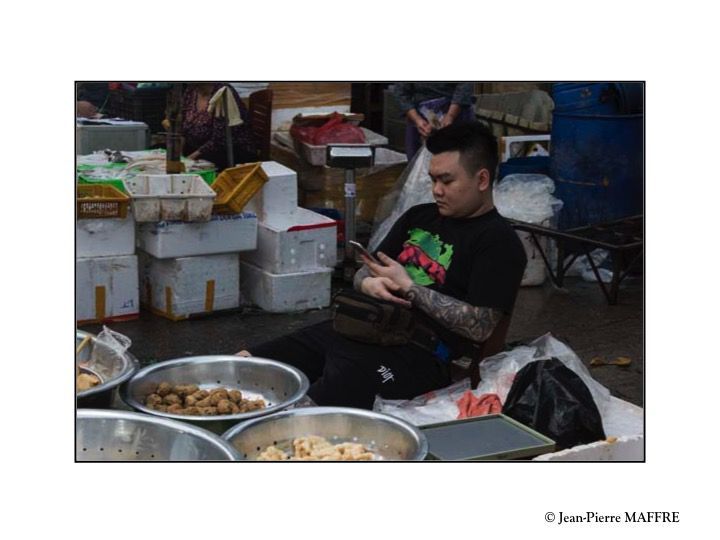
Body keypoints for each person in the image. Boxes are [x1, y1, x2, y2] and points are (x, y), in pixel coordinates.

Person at [236, 122, 527, 409]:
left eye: (447, 181)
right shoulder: (420, 216)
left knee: (308, 406)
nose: (436, 190)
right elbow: (367, 268)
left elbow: (480, 327)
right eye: (433, 180)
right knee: (247, 365)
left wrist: (410, 288)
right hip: (363, 327)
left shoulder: (498, 242)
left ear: (482, 180)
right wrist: (367, 282)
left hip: (418, 354)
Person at [179, 83, 256, 170]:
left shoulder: (223, 92)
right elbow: (182, 126)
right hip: (197, 146)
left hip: (227, 149)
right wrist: (180, 154)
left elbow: (220, 139)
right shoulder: (191, 90)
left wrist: (189, 159)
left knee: (196, 166)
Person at [392, 83, 475, 160]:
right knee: (420, 163)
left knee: (458, 159)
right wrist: (417, 119)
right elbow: (400, 91)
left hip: (455, 112)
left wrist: (450, 116)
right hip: (421, 115)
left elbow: (464, 84)